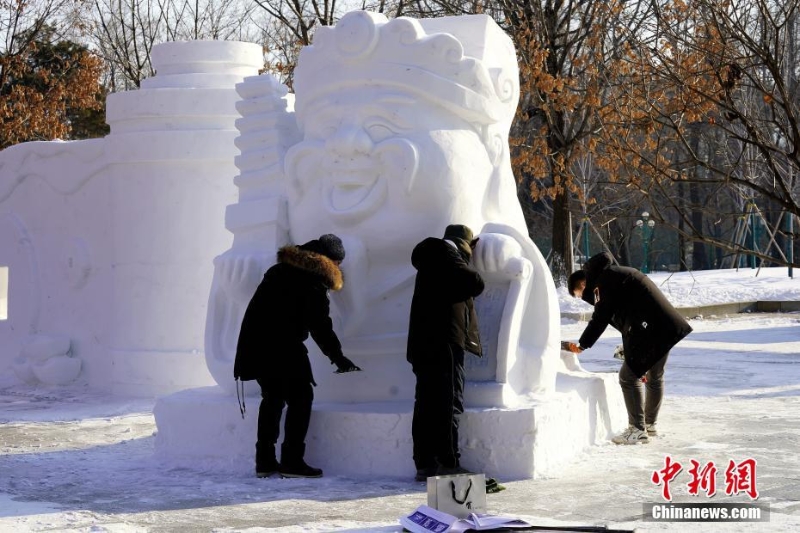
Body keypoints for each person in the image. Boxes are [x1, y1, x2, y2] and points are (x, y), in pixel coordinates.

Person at [234, 234, 361, 478]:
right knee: (301, 397)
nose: (339, 268)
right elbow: (320, 325)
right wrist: (338, 358)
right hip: (283, 347)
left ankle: (265, 461)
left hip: (256, 344)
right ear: (330, 260)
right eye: (338, 263)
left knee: (272, 399)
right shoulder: (312, 279)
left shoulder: (282, 270)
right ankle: (292, 461)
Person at [564, 252, 692, 445]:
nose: (584, 298)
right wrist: (629, 348)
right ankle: (649, 425)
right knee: (654, 375)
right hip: (664, 325)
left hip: (649, 328)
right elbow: (628, 315)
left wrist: (582, 344)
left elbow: (601, 318)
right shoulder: (614, 275)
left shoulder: (601, 283)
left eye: (580, 295)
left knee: (627, 377)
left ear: (582, 285)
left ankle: (637, 429)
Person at [406, 224, 484, 481]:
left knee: (426, 403)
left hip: (424, 344)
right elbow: (474, 282)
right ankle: (448, 462)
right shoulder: (445, 253)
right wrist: (464, 257)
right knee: (448, 402)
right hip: (444, 342)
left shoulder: (431, 261)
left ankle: (425, 464)